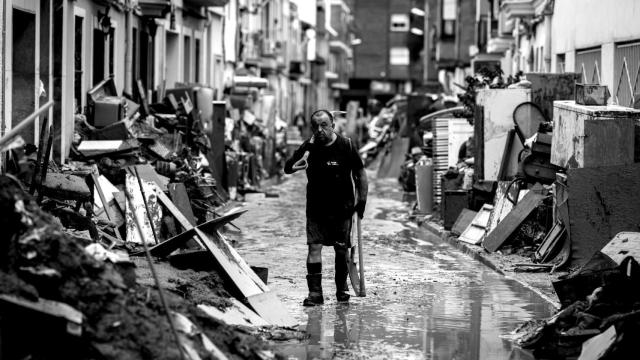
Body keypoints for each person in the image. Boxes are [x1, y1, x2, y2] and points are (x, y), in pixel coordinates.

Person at [284, 109, 368, 306]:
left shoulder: (346, 145)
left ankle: (341, 289)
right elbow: (287, 168)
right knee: (314, 247)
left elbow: (360, 174)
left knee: (341, 250)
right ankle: (315, 294)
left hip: (342, 208)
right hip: (316, 207)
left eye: (324, 125)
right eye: (315, 126)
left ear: (333, 125)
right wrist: (302, 155)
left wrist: (361, 202)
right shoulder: (309, 147)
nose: (320, 130)